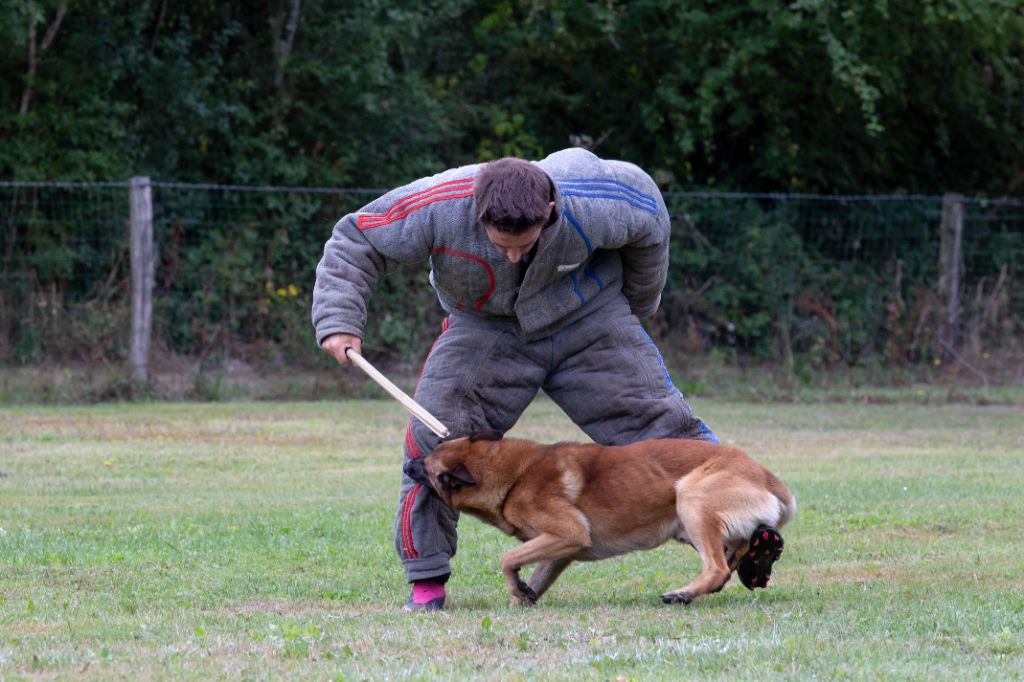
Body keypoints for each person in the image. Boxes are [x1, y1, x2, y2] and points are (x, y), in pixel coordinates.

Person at [312, 147, 718, 612]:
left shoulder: (600, 196)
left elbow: (650, 219)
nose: (510, 255)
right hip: (483, 328)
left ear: (549, 211)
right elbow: (355, 239)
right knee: (433, 449)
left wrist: (638, 305)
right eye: (500, 243)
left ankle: (741, 537)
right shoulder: (438, 204)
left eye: (524, 245)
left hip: (590, 318)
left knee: (663, 429)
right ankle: (427, 582)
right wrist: (338, 319)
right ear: (478, 212)